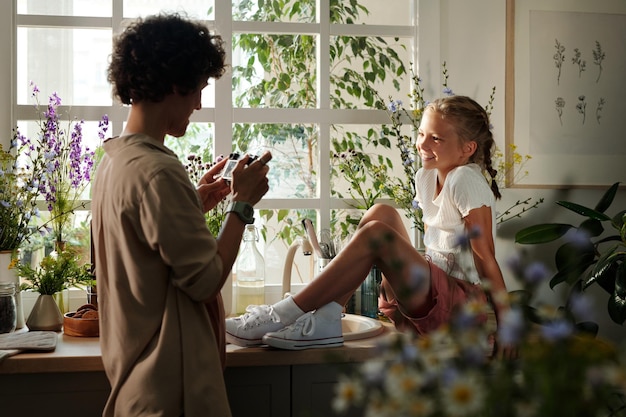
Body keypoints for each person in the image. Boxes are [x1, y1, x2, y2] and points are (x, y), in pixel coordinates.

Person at [226, 95, 515, 358]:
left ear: (468, 148)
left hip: (457, 307)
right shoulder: (426, 177)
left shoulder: (466, 178)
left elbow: (484, 256)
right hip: (430, 295)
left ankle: (281, 314)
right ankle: (328, 317)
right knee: (382, 213)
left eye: (436, 139)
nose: (423, 145)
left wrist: (507, 324)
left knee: (378, 234)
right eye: (421, 134)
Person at [92, 13, 272, 417]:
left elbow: (143, 253)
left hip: (133, 388)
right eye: (198, 89)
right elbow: (206, 281)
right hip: (170, 394)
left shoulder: (115, 162)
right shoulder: (159, 172)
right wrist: (241, 206)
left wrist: (190, 202)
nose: (199, 104)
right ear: (176, 82)